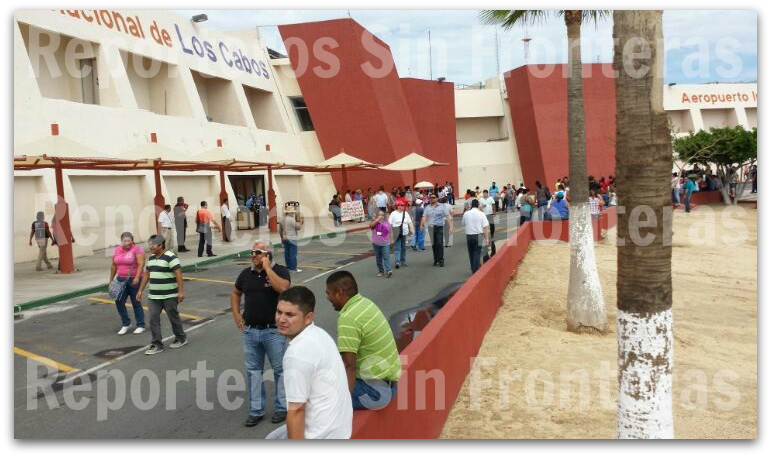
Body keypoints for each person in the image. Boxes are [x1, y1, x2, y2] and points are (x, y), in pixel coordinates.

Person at [266, 286, 352, 439]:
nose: (281, 319)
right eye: (279, 312)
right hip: (340, 430)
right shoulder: (319, 334)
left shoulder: (297, 354)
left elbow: (297, 410)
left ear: (308, 318)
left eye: (290, 314)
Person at [231, 240, 292, 427]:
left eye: (258, 252)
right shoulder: (246, 274)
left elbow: (282, 288)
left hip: (273, 331)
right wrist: (237, 315)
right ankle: (256, 410)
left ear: (268, 254)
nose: (254, 255)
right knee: (253, 372)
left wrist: (267, 268)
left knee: (279, 371)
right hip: (250, 331)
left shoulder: (280, 271)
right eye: (252, 252)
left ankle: (282, 408)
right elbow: (235, 293)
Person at [326, 271, 401, 411]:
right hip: (390, 384)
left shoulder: (348, 318)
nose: (327, 297)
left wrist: (343, 403)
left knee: (320, 394)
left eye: (328, 293)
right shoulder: (366, 303)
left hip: (375, 393)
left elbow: (349, 366)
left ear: (339, 293)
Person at [137, 234, 186, 355]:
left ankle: (181, 338)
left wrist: (180, 291)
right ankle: (157, 344)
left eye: (153, 245)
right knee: (153, 319)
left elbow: (178, 274)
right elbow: (147, 275)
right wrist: (140, 290)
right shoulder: (151, 258)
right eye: (150, 245)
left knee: (173, 318)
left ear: (161, 245)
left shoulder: (171, 257)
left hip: (170, 295)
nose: (150, 247)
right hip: (154, 296)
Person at [110, 232, 146, 335]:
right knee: (119, 301)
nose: (126, 243)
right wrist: (111, 279)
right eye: (124, 241)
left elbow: (141, 264)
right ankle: (126, 323)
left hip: (134, 279)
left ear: (132, 240)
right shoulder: (117, 250)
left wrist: (137, 277)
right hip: (120, 279)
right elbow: (114, 265)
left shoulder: (137, 249)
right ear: (121, 241)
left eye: (128, 240)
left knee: (136, 302)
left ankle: (140, 325)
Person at [420, 194, 453, 267]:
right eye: (430, 197)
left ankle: (441, 260)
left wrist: (450, 226)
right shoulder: (427, 207)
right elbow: (424, 216)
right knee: (434, 244)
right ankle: (436, 260)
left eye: (433, 197)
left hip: (439, 227)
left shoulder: (442, 206)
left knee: (439, 243)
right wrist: (421, 225)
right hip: (431, 228)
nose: (432, 199)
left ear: (437, 198)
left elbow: (447, 216)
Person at [462, 199, 490, 274]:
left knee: (471, 253)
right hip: (479, 235)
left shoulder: (466, 213)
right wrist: (486, 238)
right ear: (478, 205)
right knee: (477, 253)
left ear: (471, 205)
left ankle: (473, 269)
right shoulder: (482, 214)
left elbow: (463, 223)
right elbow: (485, 227)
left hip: (469, 235)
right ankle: (475, 271)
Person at [389, 202, 414, 270]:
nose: (402, 206)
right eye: (400, 205)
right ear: (397, 206)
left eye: (403, 205)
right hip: (396, 233)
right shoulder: (393, 213)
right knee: (397, 248)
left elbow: (410, 222)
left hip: (404, 233)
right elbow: (389, 224)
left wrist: (412, 229)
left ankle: (403, 261)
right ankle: (397, 262)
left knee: (403, 248)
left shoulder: (406, 213)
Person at [279, 206, 303, 273]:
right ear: (291, 213)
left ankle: (288, 267)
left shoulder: (282, 220)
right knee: (293, 254)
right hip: (292, 238)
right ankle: (293, 268)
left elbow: (280, 231)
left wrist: (282, 238)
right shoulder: (292, 220)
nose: (293, 213)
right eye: (293, 212)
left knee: (287, 253)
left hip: (285, 238)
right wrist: (301, 223)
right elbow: (298, 227)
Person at [369, 210, 392, 278]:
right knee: (378, 258)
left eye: (382, 215)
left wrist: (392, 241)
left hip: (385, 243)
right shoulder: (374, 222)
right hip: (376, 243)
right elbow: (371, 225)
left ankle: (388, 270)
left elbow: (390, 232)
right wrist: (377, 219)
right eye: (379, 215)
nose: (381, 216)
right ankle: (381, 271)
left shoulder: (387, 223)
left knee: (386, 256)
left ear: (384, 216)